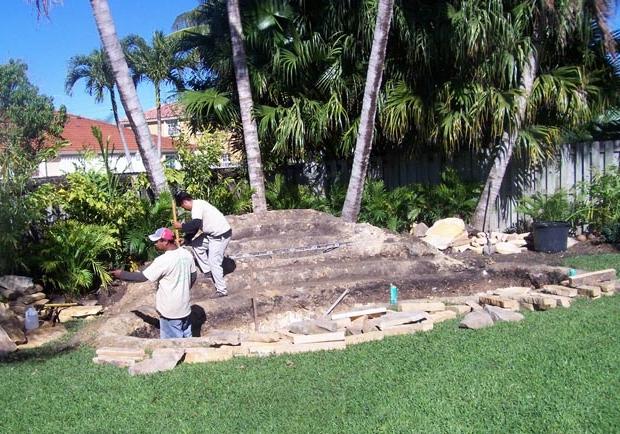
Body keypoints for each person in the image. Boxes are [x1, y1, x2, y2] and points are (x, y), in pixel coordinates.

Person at [111, 227, 196, 339]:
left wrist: (121, 274)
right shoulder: (186, 254)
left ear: (165, 241)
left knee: (172, 345)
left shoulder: (163, 260)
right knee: (188, 339)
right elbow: (193, 276)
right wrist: (183, 290)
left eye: (157, 241)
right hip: (184, 308)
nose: (155, 244)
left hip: (170, 311)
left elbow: (142, 277)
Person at [173, 191, 232, 297]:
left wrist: (181, 226)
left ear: (185, 202)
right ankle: (208, 271)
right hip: (212, 235)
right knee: (196, 245)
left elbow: (195, 224)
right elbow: (196, 227)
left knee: (214, 262)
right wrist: (186, 240)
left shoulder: (197, 206)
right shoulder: (198, 205)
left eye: (182, 206)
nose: (184, 208)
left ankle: (222, 290)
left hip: (220, 237)